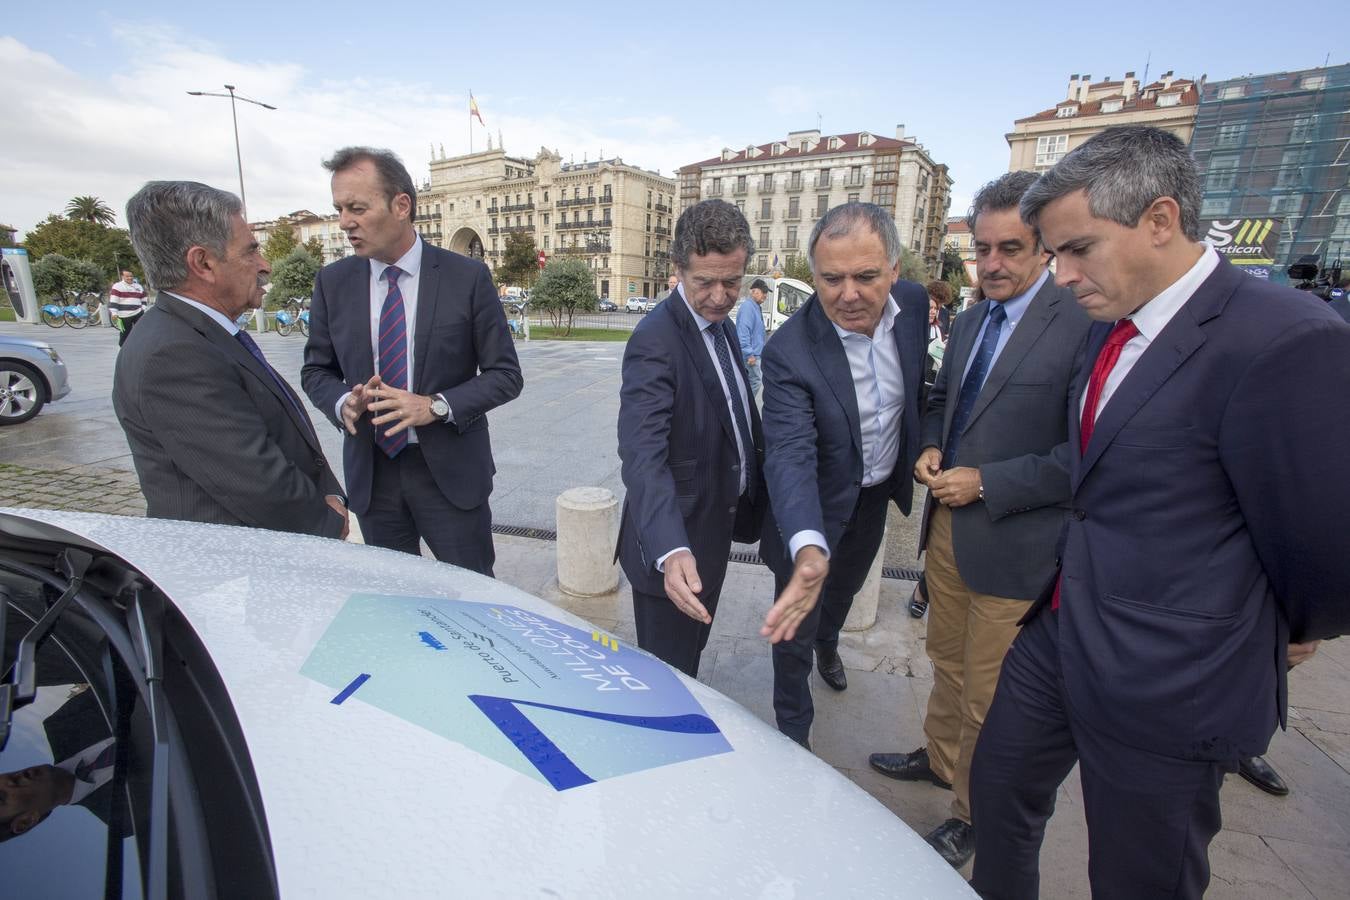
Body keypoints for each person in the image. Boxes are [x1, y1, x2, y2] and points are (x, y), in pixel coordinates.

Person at [970, 126, 1350, 900]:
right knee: (998, 792)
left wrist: (1290, 627)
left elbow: (1325, 538)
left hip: (1173, 678)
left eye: (1078, 249)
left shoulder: (1282, 338)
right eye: (1055, 254)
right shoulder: (1107, 324)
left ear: (1159, 219)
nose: (1063, 274)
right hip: (1061, 633)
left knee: (1139, 875)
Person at [868, 171, 1092, 868]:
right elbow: (941, 398)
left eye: (1012, 249)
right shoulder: (967, 319)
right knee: (945, 662)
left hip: (1017, 547)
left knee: (990, 694)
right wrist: (931, 442)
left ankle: (971, 813)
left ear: (1045, 249)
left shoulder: (1082, 322)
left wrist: (990, 482)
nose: (993, 263)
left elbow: (1088, 452)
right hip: (948, 534)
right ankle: (939, 761)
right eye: (984, 249)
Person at [303, 147, 522, 575]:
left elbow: (505, 375)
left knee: (473, 599)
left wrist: (434, 405)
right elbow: (316, 370)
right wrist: (341, 402)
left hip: (450, 477)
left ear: (401, 205)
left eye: (357, 208)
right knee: (397, 603)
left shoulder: (467, 277)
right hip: (372, 476)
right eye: (340, 209)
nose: (346, 221)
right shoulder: (333, 282)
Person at [757, 203, 928, 749]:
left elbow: (926, 390)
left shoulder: (916, 308)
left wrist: (929, 444)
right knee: (793, 628)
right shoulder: (788, 352)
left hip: (875, 497)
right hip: (810, 510)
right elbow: (788, 453)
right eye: (831, 279)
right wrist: (806, 548)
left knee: (845, 590)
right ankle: (793, 734)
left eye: (866, 276)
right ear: (814, 276)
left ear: (895, 272)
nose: (848, 294)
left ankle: (828, 646)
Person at [113, 181, 347, 538]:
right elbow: (254, 479)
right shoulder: (174, 354)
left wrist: (327, 490)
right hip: (239, 568)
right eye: (251, 251)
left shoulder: (198, 332)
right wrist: (328, 521)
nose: (264, 264)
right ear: (203, 263)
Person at [616, 199, 764, 677]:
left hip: (713, 531)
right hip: (673, 550)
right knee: (669, 678)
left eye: (732, 282)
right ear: (677, 269)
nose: (721, 297)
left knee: (691, 662)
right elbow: (642, 455)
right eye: (706, 282)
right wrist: (671, 547)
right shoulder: (654, 340)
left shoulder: (720, 326)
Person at [735, 278, 769, 398]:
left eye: (766, 292)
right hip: (751, 355)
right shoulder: (748, 308)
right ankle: (747, 406)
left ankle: (745, 406)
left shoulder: (755, 307)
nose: (765, 295)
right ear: (753, 292)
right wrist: (749, 354)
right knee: (756, 381)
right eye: (763, 292)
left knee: (750, 382)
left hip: (755, 353)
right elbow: (743, 332)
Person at [108, 269, 147, 347]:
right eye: (127, 276)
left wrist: (143, 308)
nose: (130, 278)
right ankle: (122, 349)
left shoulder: (138, 286)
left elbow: (144, 298)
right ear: (122, 276)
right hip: (123, 315)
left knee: (141, 331)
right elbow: (114, 300)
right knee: (124, 333)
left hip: (138, 312)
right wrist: (114, 313)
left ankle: (139, 347)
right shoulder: (117, 286)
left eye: (131, 276)